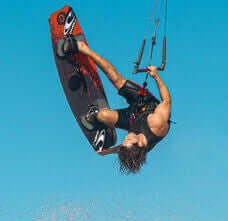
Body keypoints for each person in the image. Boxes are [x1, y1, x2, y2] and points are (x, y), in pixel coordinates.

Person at [58, 37, 172, 174]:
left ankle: (101, 120)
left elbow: (122, 148)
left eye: (124, 141)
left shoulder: (132, 146)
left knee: (101, 115)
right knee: (115, 78)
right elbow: (166, 101)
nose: (125, 137)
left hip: (133, 119)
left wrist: (107, 152)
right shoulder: (157, 123)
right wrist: (156, 76)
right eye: (128, 139)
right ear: (138, 145)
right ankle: (83, 48)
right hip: (145, 104)